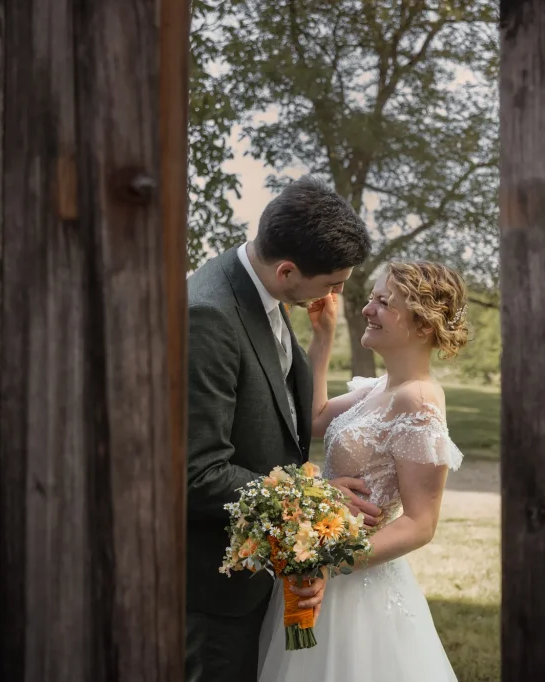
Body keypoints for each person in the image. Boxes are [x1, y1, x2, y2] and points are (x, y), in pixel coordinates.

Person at [186, 175, 381, 682]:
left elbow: (284, 419)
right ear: (288, 269)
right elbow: (197, 471)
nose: (339, 294)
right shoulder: (208, 315)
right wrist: (311, 499)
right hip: (213, 588)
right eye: (333, 283)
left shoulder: (263, 291)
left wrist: (321, 342)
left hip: (260, 570)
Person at [257, 260, 468, 681]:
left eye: (383, 302)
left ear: (424, 326)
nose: (367, 310)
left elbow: (420, 523)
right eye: (371, 298)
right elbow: (315, 418)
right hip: (322, 565)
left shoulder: (419, 400)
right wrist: (323, 337)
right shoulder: (378, 388)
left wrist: (329, 564)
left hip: (355, 579)